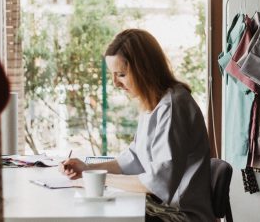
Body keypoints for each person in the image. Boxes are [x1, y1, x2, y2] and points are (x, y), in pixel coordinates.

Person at [60, 29, 214, 221]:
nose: (115, 83)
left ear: (145, 70)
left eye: (121, 74)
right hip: (162, 209)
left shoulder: (174, 106)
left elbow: (157, 184)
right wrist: (88, 169)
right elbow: (132, 160)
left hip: (180, 215)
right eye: (113, 75)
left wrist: (98, 179)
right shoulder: (152, 104)